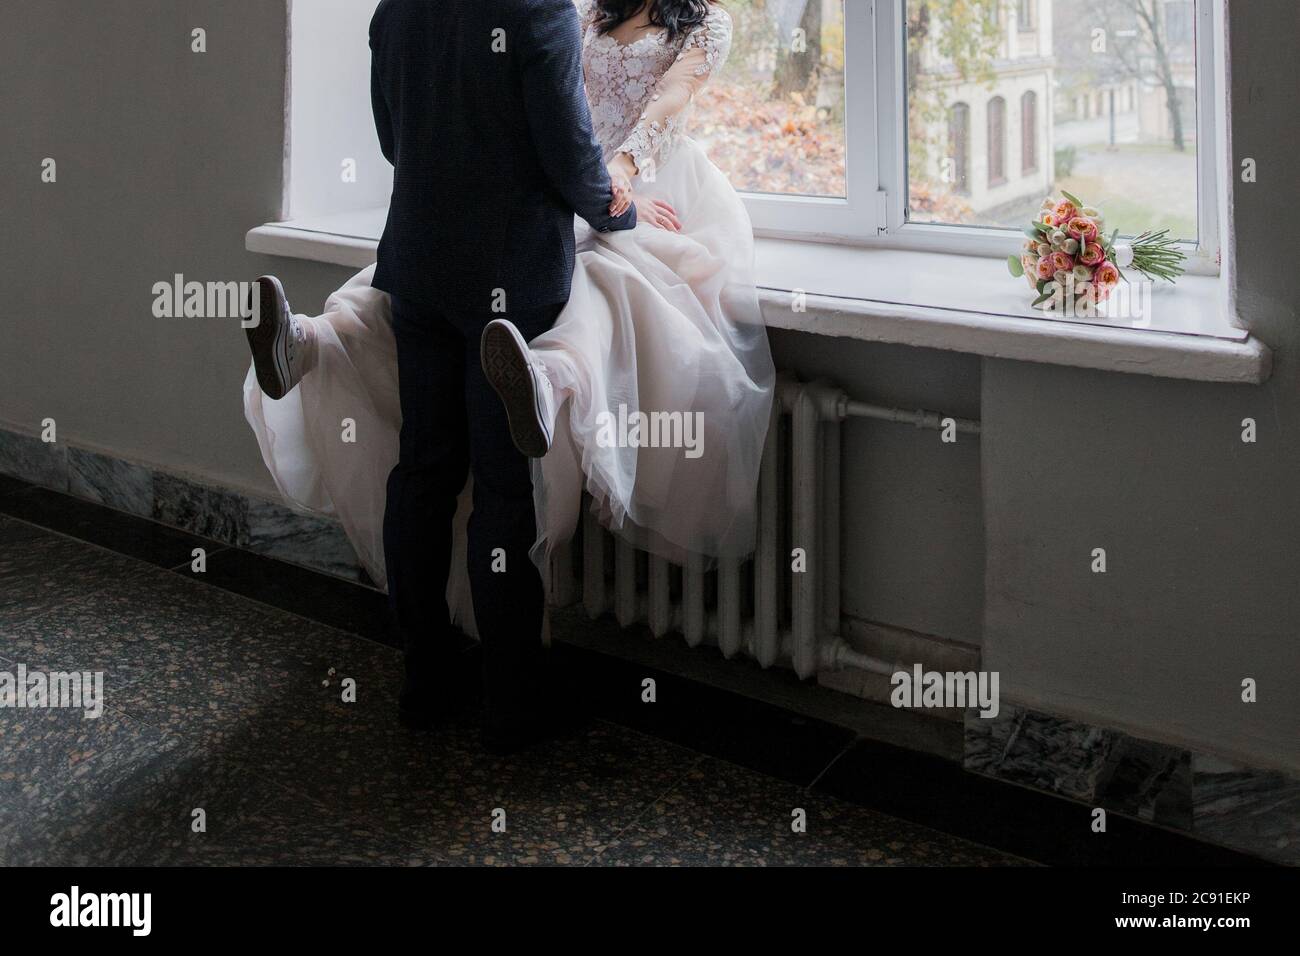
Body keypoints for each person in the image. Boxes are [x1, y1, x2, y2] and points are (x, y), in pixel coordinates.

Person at [243, 0, 775, 752]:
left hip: (417, 259)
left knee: (422, 469)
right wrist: (617, 214)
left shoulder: (397, 11)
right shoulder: (541, 12)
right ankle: (510, 700)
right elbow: (565, 155)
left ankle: (426, 681)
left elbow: (396, 141)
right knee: (502, 486)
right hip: (510, 271)